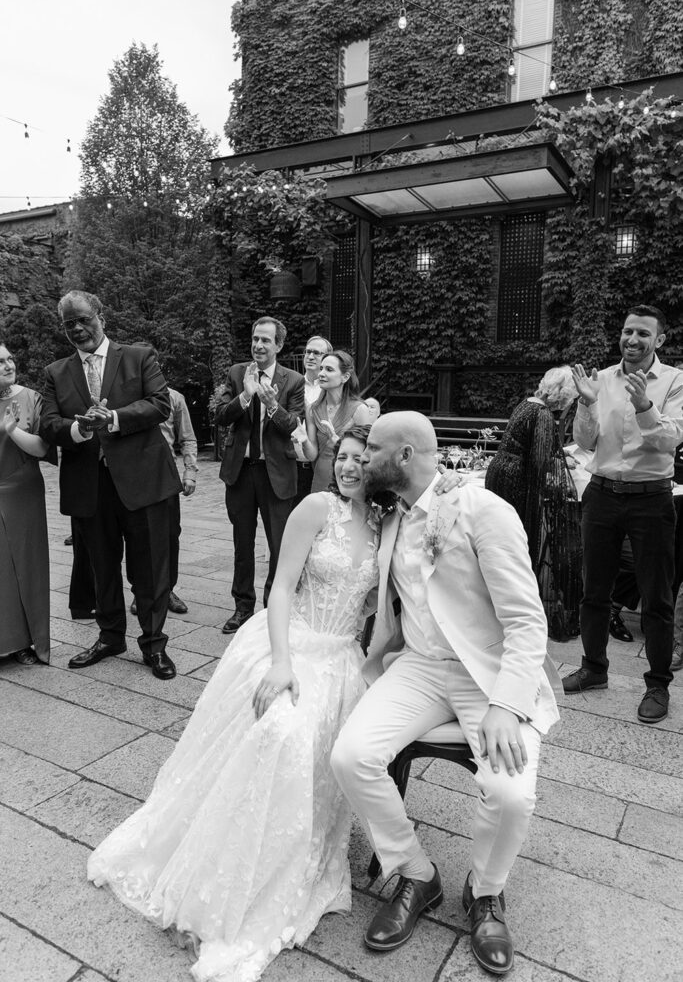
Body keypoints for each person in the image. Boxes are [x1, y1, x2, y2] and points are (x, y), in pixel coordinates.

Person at [86, 427, 380, 982]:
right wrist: (282, 661)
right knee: (280, 732)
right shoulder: (318, 508)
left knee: (312, 747)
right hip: (287, 645)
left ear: (380, 468)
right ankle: (222, 868)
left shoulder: (388, 524)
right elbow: (280, 588)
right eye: (342, 457)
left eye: (361, 461)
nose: (347, 468)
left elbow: (376, 610)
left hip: (342, 661)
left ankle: (287, 863)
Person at [330, 411, 560, 978]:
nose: (362, 461)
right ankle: (415, 873)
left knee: (508, 793)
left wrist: (508, 704)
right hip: (419, 666)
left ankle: (485, 893)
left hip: (487, 673)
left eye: (373, 451)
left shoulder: (482, 509)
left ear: (405, 456)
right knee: (350, 756)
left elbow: (528, 623)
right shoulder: (388, 511)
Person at [40, 290, 182, 681]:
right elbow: (48, 423)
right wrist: (78, 427)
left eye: (84, 319)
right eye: (69, 324)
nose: (78, 329)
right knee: (102, 566)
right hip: (90, 486)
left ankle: (154, 645)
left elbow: (160, 404)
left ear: (100, 314)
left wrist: (114, 418)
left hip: (143, 482)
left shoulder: (139, 356)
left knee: (151, 567)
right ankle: (110, 637)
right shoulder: (56, 372)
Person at [562, 305, 683, 725]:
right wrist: (586, 402)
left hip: (651, 498)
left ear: (659, 341)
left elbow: (669, 442)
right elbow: (585, 442)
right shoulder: (601, 380)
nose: (632, 340)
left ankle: (657, 684)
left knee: (657, 597)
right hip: (602, 494)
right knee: (593, 590)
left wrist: (645, 404)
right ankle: (594, 668)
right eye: (628, 331)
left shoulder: (675, 381)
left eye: (643, 334)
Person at [216, 316, 305, 634]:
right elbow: (221, 416)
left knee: (279, 546)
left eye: (266, 340)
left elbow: (295, 425)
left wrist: (270, 404)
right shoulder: (237, 373)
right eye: (255, 338)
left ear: (279, 345)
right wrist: (245, 396)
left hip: (277, 474)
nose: (258, 345)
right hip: (241, 473)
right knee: (242, 544)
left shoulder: (293, 380)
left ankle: (273, 608)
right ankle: (242, 608)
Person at [485, 366, 581, 640]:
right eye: (572, 398)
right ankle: (516, 607)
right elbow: (539, 460)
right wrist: (560, 462)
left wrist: (556, 453)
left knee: (499, 538)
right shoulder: (542, 415)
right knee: (518, 541)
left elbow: (531, 444)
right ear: (563, 395)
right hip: (516, 481)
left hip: (500, 470)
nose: (570, 404)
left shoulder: (528, 403)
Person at [130, 343, 199, 617]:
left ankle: (168, 588)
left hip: (166, 474)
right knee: (137, 536)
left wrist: (190, 471)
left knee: (171, 535)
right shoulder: (126, 399)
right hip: (133, 475)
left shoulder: (175, 398)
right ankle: (140, 592)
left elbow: (188, 437)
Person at [0, 344, 55, 666]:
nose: (8, 365)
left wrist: (12, 431)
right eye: (0, 362)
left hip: (23, 492)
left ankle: (26, 641)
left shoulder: (32, 398)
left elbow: (42, 448)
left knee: (26, 567)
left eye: (10, 358)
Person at [293, 350, 372, 493]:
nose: (321, 373)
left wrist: (339, 445)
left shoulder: (360, 409)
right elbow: (312, 455)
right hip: (321, 475)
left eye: (329, 369)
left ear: (345, 377)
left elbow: (368, 453)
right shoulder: (313, 409)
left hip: (349, 476)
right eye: (321, 368)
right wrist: (304, 441)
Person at [292, 334, 333, 507]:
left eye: (316, 353)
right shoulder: (292, 384)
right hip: (292, 467)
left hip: (320, 468)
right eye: (307, 352)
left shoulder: (331, 388)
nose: (310, 356)